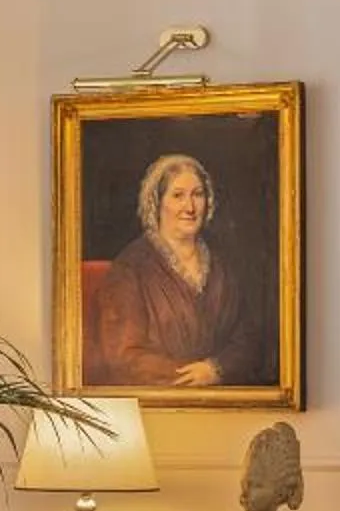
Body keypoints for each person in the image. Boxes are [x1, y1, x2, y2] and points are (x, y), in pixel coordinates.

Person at [86, 152, 266, 389]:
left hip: (223, 395)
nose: (190, 207)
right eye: (178, 196)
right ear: (157, 202)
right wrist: (191, 377)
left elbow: (248, 339)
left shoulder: (223, 266)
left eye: (198, 195)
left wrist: (217, 369)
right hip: (161, 400)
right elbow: (124, 356)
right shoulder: (130, 268)